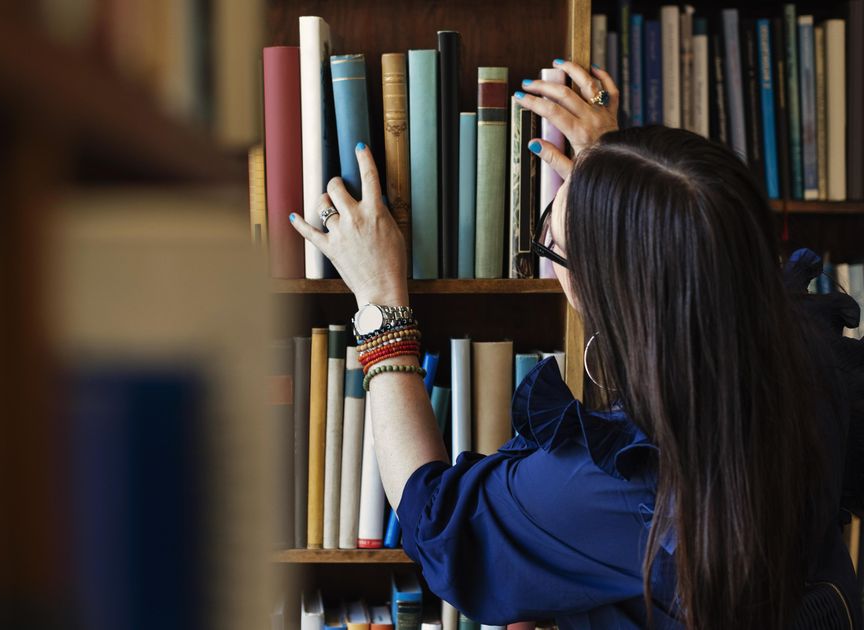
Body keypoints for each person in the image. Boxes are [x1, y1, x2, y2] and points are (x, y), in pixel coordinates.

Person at [288, 59, 862, 629]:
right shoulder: (813, 352)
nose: (544, 241)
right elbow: (695, 245)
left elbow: (439, 525)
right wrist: (624, 182)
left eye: (550, 242)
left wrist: (380, 300)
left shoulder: (609, 487)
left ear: (609, 292)